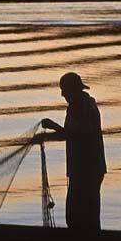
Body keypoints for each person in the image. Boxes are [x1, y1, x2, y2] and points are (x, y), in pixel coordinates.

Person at [37, 72, 107, 232]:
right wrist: (50, 133)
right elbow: (71, 133)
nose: (62, 94)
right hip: (81, 170)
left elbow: (79, 134)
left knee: (82, 215)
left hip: (88, 170)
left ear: (72, 90)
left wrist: (54, 128)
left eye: (64, 90)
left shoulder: (85, 107)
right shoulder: (77, 106)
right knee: (78, 216)